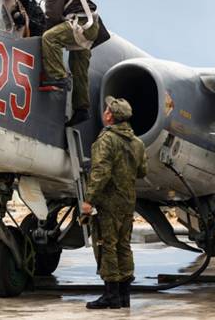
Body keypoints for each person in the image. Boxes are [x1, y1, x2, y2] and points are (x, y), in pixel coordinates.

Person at [20, 0, 109, 126]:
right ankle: (82, 109)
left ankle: (58, 77)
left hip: (80, 26)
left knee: (49, 38)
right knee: (79, 68)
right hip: (91, 25)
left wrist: (39, 33)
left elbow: (52, 17)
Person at [82, 96, 148, 309]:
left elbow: (101, 172)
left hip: (108, 203)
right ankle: (124, 295)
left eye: (107, 110)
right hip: (127, 201)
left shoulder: (106, 140)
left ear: (110, 116)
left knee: (106, 245)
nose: (104, 112)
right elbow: (142, 171)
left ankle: (111, 295)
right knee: (123, 245)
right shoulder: (137, 143)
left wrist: (89, 200)